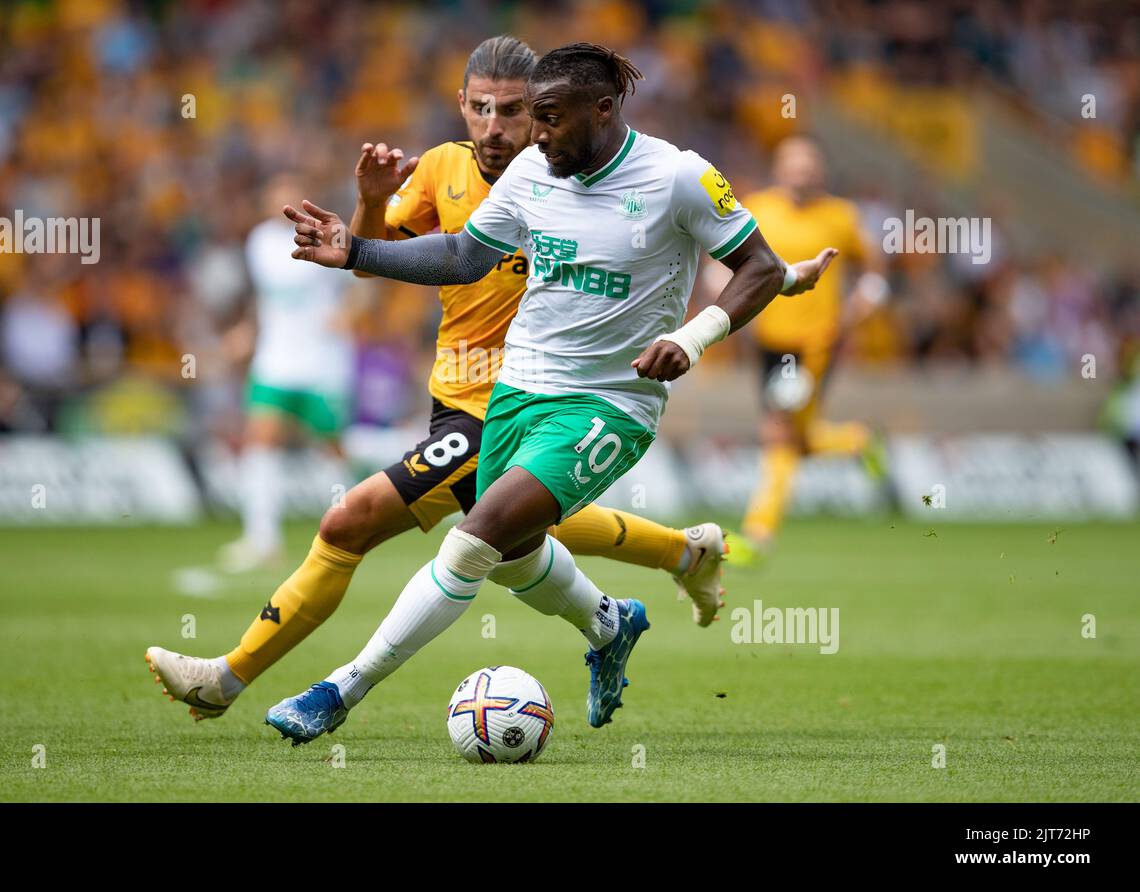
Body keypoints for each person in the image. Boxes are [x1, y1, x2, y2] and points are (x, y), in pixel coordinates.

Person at [265, 42, 836, 743]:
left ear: (604, 108)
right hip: (516, 391)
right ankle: (609, 622)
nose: (536, 134)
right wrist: (357, 251)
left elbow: (758, 266)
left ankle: (338, 691)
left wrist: (691, 339)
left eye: (552, 118)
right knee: (511, 554)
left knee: (473, 541)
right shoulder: (535, 169)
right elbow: (462, 254)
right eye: (533, 117)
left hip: (608, 405)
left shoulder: (678, 176)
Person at [146, 37, 731, 721]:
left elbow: (688, 237)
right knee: (517, 541)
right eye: (480, 108)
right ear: (460, 105)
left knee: (351, 520)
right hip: (456, 395)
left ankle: (234, 679)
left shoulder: (579, 175)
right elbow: (385, 260)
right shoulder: (444, 172)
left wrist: (744, 296)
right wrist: (368, 205)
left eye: (515, 111)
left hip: (526, 399)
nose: (495, 126)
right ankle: (657, 578)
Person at [732, 136, 888, 564]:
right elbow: (731, 256)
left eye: (808, 165)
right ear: (778, 169)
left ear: (820, 171)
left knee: (778, 433)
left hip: (816, 343)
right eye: (793, 164)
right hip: (767, 339)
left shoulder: (841, 215)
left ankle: (758, 532)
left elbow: (874, 268)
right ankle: (855, 440)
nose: (801, 173)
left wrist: (862, 306)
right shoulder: (757, 207)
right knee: (795, 437)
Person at [215, 174, 356, 574]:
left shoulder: (329, 234)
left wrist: (349, 313)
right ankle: (262, 540)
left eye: (291, 196)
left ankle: (348, 529)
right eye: (276, 196)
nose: (284, 203)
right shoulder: (258, 241)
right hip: (276, 359)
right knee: (260, 440)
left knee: (332, 448)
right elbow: (266, 297)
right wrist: (247, 331)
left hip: (322, 360)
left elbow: (362, 281)